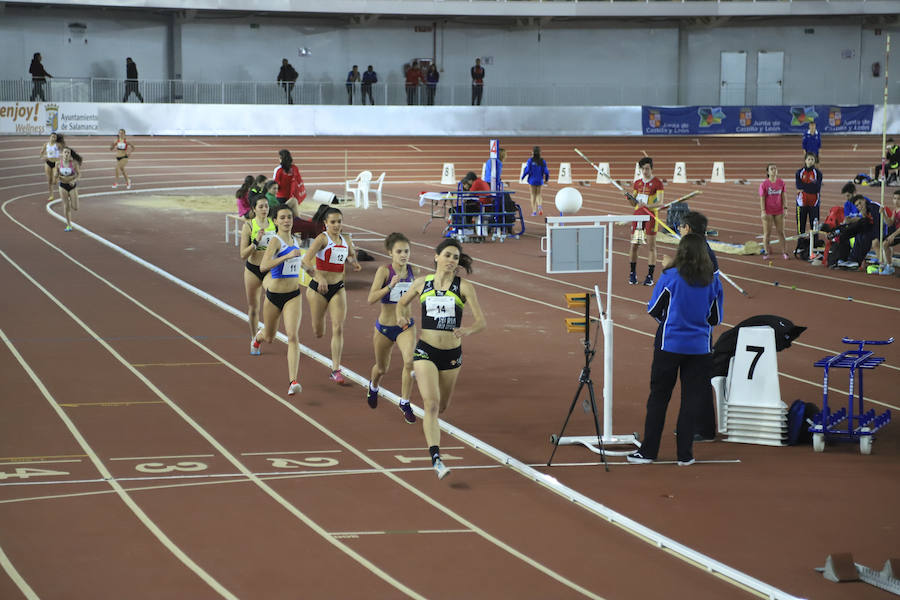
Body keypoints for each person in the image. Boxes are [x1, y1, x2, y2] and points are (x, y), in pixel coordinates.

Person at [627, 233, 724, 466]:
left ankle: (648, 452)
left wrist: (672, 321)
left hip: (669, 344)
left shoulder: (670, 277)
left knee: (659, 398)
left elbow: (654, 309)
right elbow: (715, 318)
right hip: (700, 348)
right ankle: (685, 454)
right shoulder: (713, 282)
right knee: (691, 400)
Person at [396, 238, 486, 480]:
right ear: (436, 257)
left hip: (452, 354)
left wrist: (468, 330)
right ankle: (436, 457)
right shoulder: (420, 284)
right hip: (426, 350)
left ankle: (423, 377)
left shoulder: (464, 287)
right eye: (447, 255)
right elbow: (401, 305)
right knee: (431, 405)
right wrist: (402, 318)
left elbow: (481, 322)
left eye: (455, 257)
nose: (451, 261)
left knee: (442, 406)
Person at [661, 211, 719, 443]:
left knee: (696, 381)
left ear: (688, 229)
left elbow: (695, 281)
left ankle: (702, 428)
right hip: (698, 326)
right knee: (696, 380)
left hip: (692, 327)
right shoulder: (703, 250)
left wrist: (670, 267)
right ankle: (700, 426)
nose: (679, 231)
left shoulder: (701, 253)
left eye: (680, 227)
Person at [301, 207, 362, 385]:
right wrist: (319, 277)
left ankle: (335, 370)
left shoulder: (347, 239)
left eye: (339, 222)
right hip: (318, 289)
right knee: (318, 330)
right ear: (325, 223)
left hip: (338, 288)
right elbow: (304, 262)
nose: (336, 225)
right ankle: (318, 327)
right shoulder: (322, 239)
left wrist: (355, 263)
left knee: (338, 327)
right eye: (333, 222)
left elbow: (350, 256)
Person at [366, 232, 419, 424]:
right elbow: (371, 299)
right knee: (381, 368)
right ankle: (373, 386)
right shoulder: (384, 271)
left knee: (409, 362)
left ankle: (405, 401)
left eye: (406, 251)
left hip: (406, 326)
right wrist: (390, 286)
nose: (403, 255)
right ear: (390, 253)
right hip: (384, 329)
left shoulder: (415, 271)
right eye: (399, 251)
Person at [251, 204, 304, 395]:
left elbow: (299, 262)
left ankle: (293, 381)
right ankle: (258, 337)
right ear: (275, 221)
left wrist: (315, 274)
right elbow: (264, 266)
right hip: (274, 296)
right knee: (270, 336)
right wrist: (286, 256)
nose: (287, 221)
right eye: (282, 218)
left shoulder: (296, 240)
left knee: (293, 336)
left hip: (293, 295)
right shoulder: (275, 241)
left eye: (289, 217)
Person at [241, 195, 276, 344]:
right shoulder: (249, 226)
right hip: (252, 270)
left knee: (273, 297)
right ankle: (254, 339)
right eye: (261, 206)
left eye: (266, 206)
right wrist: (256, 242)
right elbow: (243, 254)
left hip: (268, 269)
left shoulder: (275, 224)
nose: (264, 209)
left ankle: (267, 328)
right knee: (254, 307)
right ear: (254, 209)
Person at [628, 156, 664, 286]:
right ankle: (632, 273)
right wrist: (629, 198)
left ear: (651, 169)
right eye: (643, 169)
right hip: (638, 217)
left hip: (651, 216)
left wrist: (647, 206)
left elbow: (660, 202)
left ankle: (650, 275)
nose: (645, 171)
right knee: (634, 245)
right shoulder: (637, 183)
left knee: (651, 246)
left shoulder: (657, 183)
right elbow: (633, 204)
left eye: (647, 169)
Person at [795, 152, 823, 258]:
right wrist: (809, 186)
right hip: (801, 203)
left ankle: (814, 246)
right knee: (801, 226)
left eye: (812, 159)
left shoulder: (818, 173)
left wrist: (805, 187)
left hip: (814, 203)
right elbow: (799, 185)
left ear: (814, 161)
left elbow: (817, 188)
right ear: (805, 160)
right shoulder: (799, 172)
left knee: (814, 225)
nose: (810, 161)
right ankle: (801, 245)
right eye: (809, 159)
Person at [758, 163, 789, 260]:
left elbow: (784, 196)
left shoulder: (781, 182)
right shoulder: (764, 184)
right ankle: (766, 252)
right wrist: (763, 211)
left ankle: (784, 252)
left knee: (781, 232)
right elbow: (762, 198)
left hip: (779, 211)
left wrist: (785, 208)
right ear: (768, 172)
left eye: (775, 168)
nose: (774, 170)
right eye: (771, 169)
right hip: (768, 211)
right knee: (767, 233)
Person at [55, 147, 83, 232]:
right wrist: (56, 176)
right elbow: (56, 174)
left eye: (68, 153)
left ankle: (72, 198)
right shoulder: (58, 163)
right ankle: (69, 225)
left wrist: (74, 180)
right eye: (65, 152)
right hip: (62, 186)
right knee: (66, 206)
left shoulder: (74, 164)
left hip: (72, 186)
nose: (66, 154)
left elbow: (79, 175)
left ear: (70, 155)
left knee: (75, 207)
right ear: (62, 154)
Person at [272, 149, 306, 215]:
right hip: (292, 196)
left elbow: (275, 184)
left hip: (281, 196)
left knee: (281, 215)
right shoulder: (295, 168)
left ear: (281, 158)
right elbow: (299, 181)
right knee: (293, 215)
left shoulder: (279, 170)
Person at [521, 146, 549, 216]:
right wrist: (546, 179)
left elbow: (527, 170)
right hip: (540, 180)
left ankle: (534, 211)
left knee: (533, 195)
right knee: (539, 194)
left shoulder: (530, 160)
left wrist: (523, 177)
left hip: (532, 180)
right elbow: (546, 172)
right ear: (540, 153)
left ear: (532, 152)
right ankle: (539, 206)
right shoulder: (542, 161)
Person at [877, 189, 900, 275]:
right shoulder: (895, 210)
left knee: (885, 244)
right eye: (894, 198)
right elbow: (890, 223)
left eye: (898, 199)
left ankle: (889, 267)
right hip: (897, 232)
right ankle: (888, 265)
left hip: (898, 232)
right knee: (884, 243)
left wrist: (893, 235)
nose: (896, 201)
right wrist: (883, 214)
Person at [39, 132, 61, 201]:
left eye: (55, 137)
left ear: (56, 139)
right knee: (49, 180)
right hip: (48, 163)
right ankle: (51, 195)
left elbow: (63, 150)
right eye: (52, 136)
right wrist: (43, 157)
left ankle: (58, 178)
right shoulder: (46, 145)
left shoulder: (57, 145)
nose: (53, 138)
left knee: (54, 182)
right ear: (50, 137)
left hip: (55, 163)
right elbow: (41, 153)